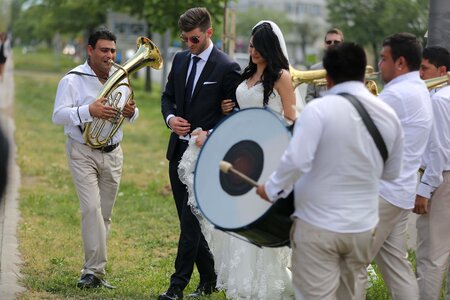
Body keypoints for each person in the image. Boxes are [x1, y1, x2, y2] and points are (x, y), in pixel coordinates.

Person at [256, 42, 404, 299]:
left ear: (327, 76)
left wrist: (271, 189)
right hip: (361, 229)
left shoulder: (318, 110)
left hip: (318, 226)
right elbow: (392, 174)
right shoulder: (388, 114)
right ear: (363, 72)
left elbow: (296, 160)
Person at [183, 20, 296, 299]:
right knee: (239, 216)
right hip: (243, 153)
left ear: (270, 47)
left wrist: (271, 133)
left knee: (257, 217)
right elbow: (239, 115)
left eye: (259, 46)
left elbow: (293, 117)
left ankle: (264, 287)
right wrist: (219, 124)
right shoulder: (246, 75)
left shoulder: (281, 76)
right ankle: (242, 285)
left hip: (268, 154)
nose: (253, 50)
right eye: (252, 45)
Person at [159, 7, 241, 300]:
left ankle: (175, 288)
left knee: (191, 225)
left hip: (206, 158)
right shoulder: (179, 60)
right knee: (187, 222)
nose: (189, 45)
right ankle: (210, 278)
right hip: (176, 152)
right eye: (185, 39)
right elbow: (167, 97)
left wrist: (210, 132)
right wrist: (171, 120)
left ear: (209, 33)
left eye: (194, 39)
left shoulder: (227, 67)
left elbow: (234, 115)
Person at [52, 28, 138, 289]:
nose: (109, 55)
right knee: (91, 209)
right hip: (82, 151)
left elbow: (134, 114)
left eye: (112, 50)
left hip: (113, 153)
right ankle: (92, 272)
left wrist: (131, 112)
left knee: (105, 216)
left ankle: (95, 272)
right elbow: (58, 115)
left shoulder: (119, 77)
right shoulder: (73, 79)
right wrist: (88, 110)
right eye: (103, 50)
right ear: (90, 50)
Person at [357, 32, 433, 300]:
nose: (379, 65)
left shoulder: (397, 94)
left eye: (383, 59)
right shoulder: (417, 89)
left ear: (400, 63)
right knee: (395, 265)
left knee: (351, 265)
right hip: (399, 192)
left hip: (383, 195)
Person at [414, 46, 450, 300]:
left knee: (430, 258)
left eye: (424, 68)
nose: (419, 74)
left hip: (441, 180)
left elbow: (439, 153)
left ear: (442, 71)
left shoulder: (438, 100)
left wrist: (424, 190)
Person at [304, 28, 344, 103]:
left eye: (336, 42)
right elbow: (309, 96)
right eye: (329, 42)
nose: (332, 44)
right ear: (325, 44)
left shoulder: (350, 68)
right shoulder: (314, 69)